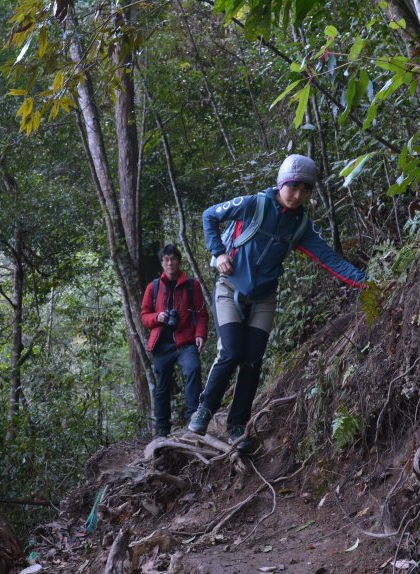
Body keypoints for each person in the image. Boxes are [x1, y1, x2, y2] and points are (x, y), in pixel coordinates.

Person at [187, 154, 366, 452]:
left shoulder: (301, 226)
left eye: (305, 189)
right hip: (229, 287)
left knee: (253, 359)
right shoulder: (253, 204)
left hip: (264, 298)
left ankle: (236, 427)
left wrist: (368, 283)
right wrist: (218, 252)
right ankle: (204, 409)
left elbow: (330, 259)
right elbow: (210, 215)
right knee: (231, 351)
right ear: (282, 182)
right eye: (293, 186)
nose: (297, 195)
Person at [141, 244, 209, 437]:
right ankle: (162, 429)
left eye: (172, 259)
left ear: (178, 261)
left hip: (185, 340)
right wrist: (158, 317)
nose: (169, 263)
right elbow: (144, 316)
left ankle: (193, 418)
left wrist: (200, 334)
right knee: (162, 385)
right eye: (165, 260)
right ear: (162, 263)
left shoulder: (191, 285)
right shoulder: (153, 287)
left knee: (193, 369)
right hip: (162, 343)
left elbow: (201, 314)